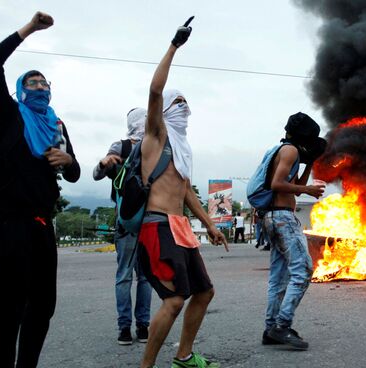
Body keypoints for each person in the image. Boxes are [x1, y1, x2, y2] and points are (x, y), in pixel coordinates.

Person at [0, 12, 80, 367]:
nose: (41, 88)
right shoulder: (10, 116)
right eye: (33, 83)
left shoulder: (56, 125)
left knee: (43, 306)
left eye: (45, 84)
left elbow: (74, 174)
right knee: (10, 307)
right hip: (9, 223)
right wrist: (29, 29)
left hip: (42, 225)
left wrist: (67, 160)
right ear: (22, 90)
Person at [136, 17, 228, 368]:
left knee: (204, 292)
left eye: (187, 104)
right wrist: (174, 45)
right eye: (180, 104)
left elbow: (187, 192)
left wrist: (210, 225)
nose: (185, 109)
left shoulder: (183, 148)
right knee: (174, 301)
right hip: (157, 226)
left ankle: (184, 357)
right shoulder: (156, 137)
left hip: (180, 228)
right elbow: (156, 92)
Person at [260, 112, 326, 350]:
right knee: (304, 270)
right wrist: (309, 190)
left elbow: (294, 189)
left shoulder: (288, 151)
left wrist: (309, 164)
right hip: (283, 218)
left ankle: (271, 329)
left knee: (278, 276)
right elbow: (277, 184)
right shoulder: (290, 151)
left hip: (274, 217)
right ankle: (282, 325)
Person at [93, 108, 152, 345]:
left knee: (127, 276)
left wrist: (104, 163)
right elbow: (98, 173)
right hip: (144, 221)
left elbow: (98, 173)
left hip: (129, 222)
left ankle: (128, 328)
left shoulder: (133, 146)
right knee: (142, 277)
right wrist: (104, 162)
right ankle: (139, 326)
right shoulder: (134, 147)